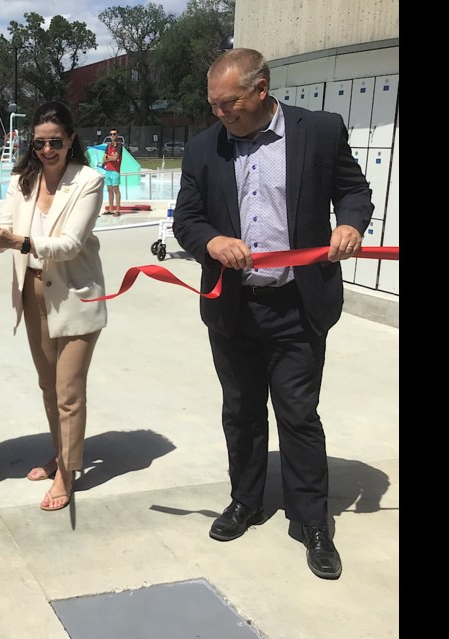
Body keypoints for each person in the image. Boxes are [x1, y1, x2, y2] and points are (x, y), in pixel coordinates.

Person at [172, 48, 373, 580]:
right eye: (213, 105)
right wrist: (212, 241)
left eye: (229, 103)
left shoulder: (320, 131)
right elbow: (187, 219)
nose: (220, 114)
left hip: (297, 305)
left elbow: (354, 191)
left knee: (298, 416)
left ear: (262, 89)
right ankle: (247, 500)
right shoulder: (203, 149)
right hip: (233, 307)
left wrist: (350, 224)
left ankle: (312, 522)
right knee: (240, 411)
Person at [0, 100, 107, 512]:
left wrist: (20, 242)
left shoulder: (89, 180)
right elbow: (10, 224)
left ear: (71, 140)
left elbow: (69, 245)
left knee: (69, 391)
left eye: (55, 142)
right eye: (39, 143)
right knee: (48, 385)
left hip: (74, 295)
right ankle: (59, 454)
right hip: (32, 290)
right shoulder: (23, 179)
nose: (47, 150)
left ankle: (67, 473)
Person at [102, 129, 123, 216]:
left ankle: (117, 210)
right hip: (108, 170)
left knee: (116, 190)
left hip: (115, 171)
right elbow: (104, 158)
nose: (113, 136)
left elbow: (115, 158)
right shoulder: (108, 146)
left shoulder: (119, 146)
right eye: (111, 134)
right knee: (109, 190)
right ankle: (111, 208)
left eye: (114, 134)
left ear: (117, 135)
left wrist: (108, 157)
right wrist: (109, 158)